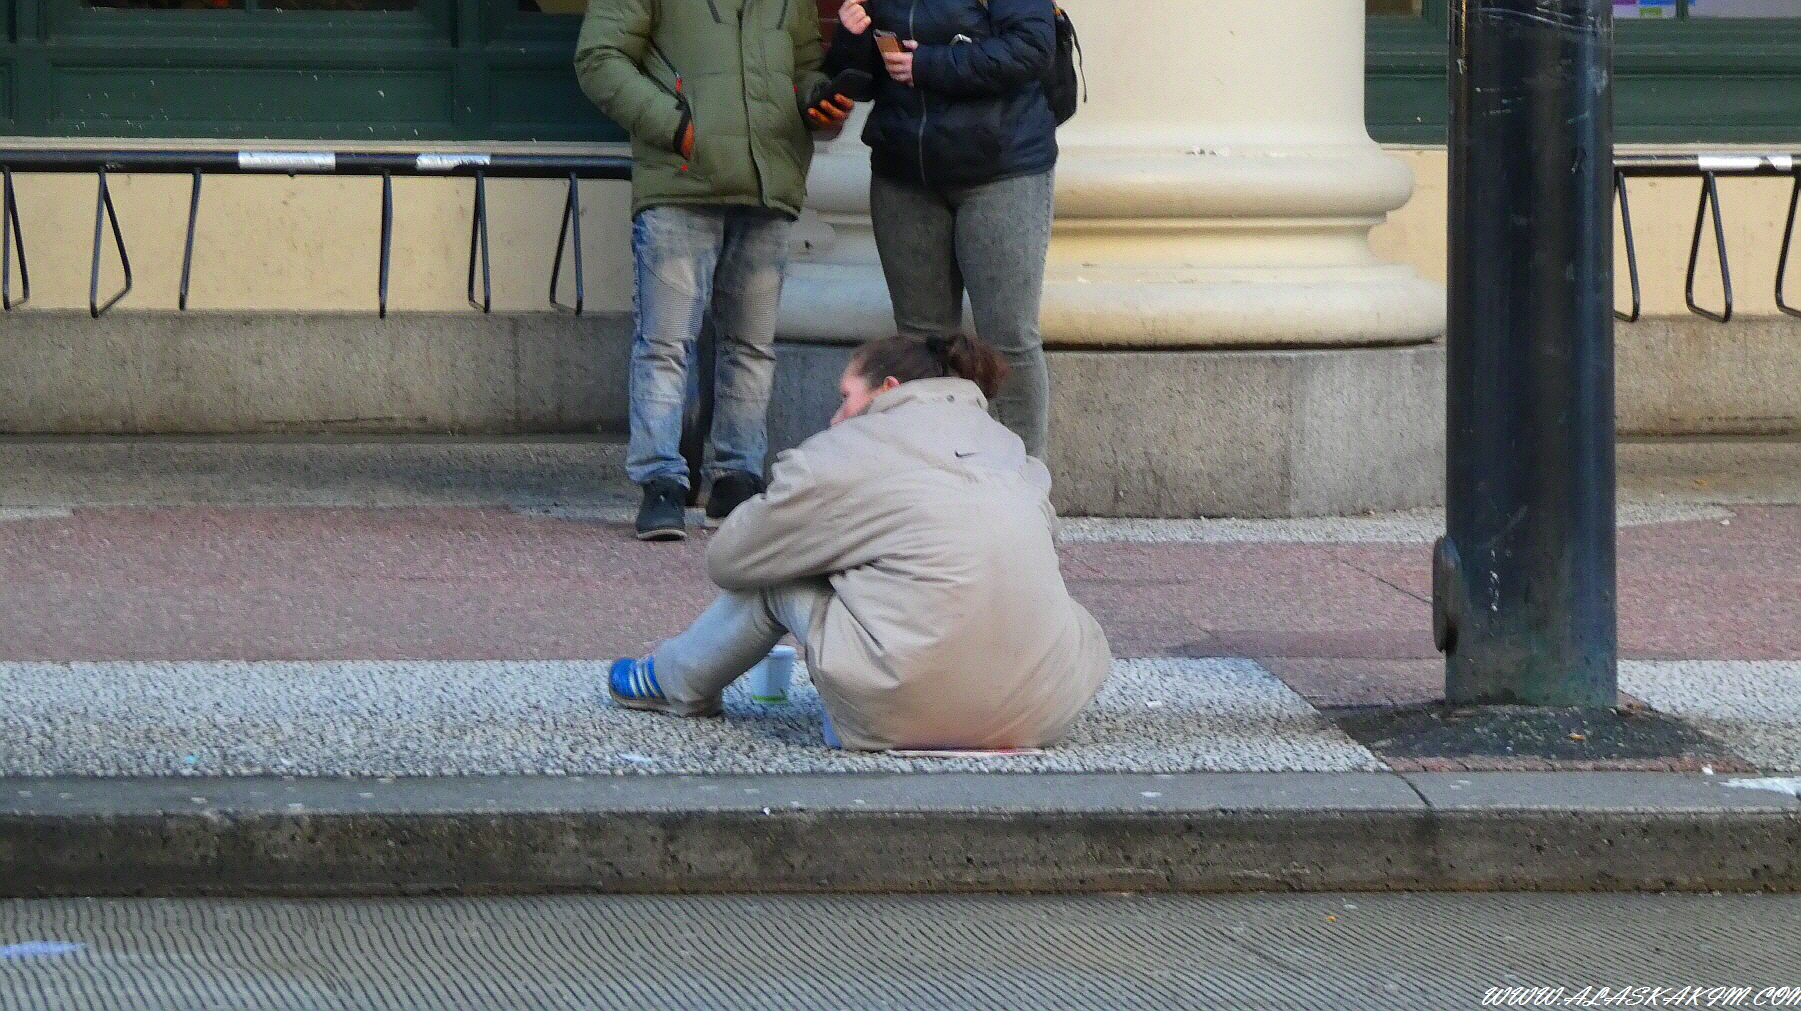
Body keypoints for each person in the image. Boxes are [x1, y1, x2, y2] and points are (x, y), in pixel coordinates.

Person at [607, 333, 1110, 751]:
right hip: (1045, 713)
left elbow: (730, 559)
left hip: (899, 710)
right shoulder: (1011, 450)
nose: (836, 417)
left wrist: (830, 557)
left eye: (845, 397)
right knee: (1039, 596)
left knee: (777, 569)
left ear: (887, 389)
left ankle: (671, 682)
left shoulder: (844, 449)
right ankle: (999, 700)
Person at [576, 0, 858, 541]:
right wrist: (676, 126)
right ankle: (662, 481)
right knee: (664, 343)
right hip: (680, 183)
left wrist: (819, 102)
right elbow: (599, 57)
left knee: (751, 347)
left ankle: (738, 478)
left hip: (767, 183)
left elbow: (802, 67)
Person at [825, 0, 1060, 459]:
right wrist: (851, 40)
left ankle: (1024, 477)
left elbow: (1032, 48)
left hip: (1001, 169)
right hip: (903, 174)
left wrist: (930, 64)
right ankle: (934, 474)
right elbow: (861, 83)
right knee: (919, 342)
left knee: (1008, 336)